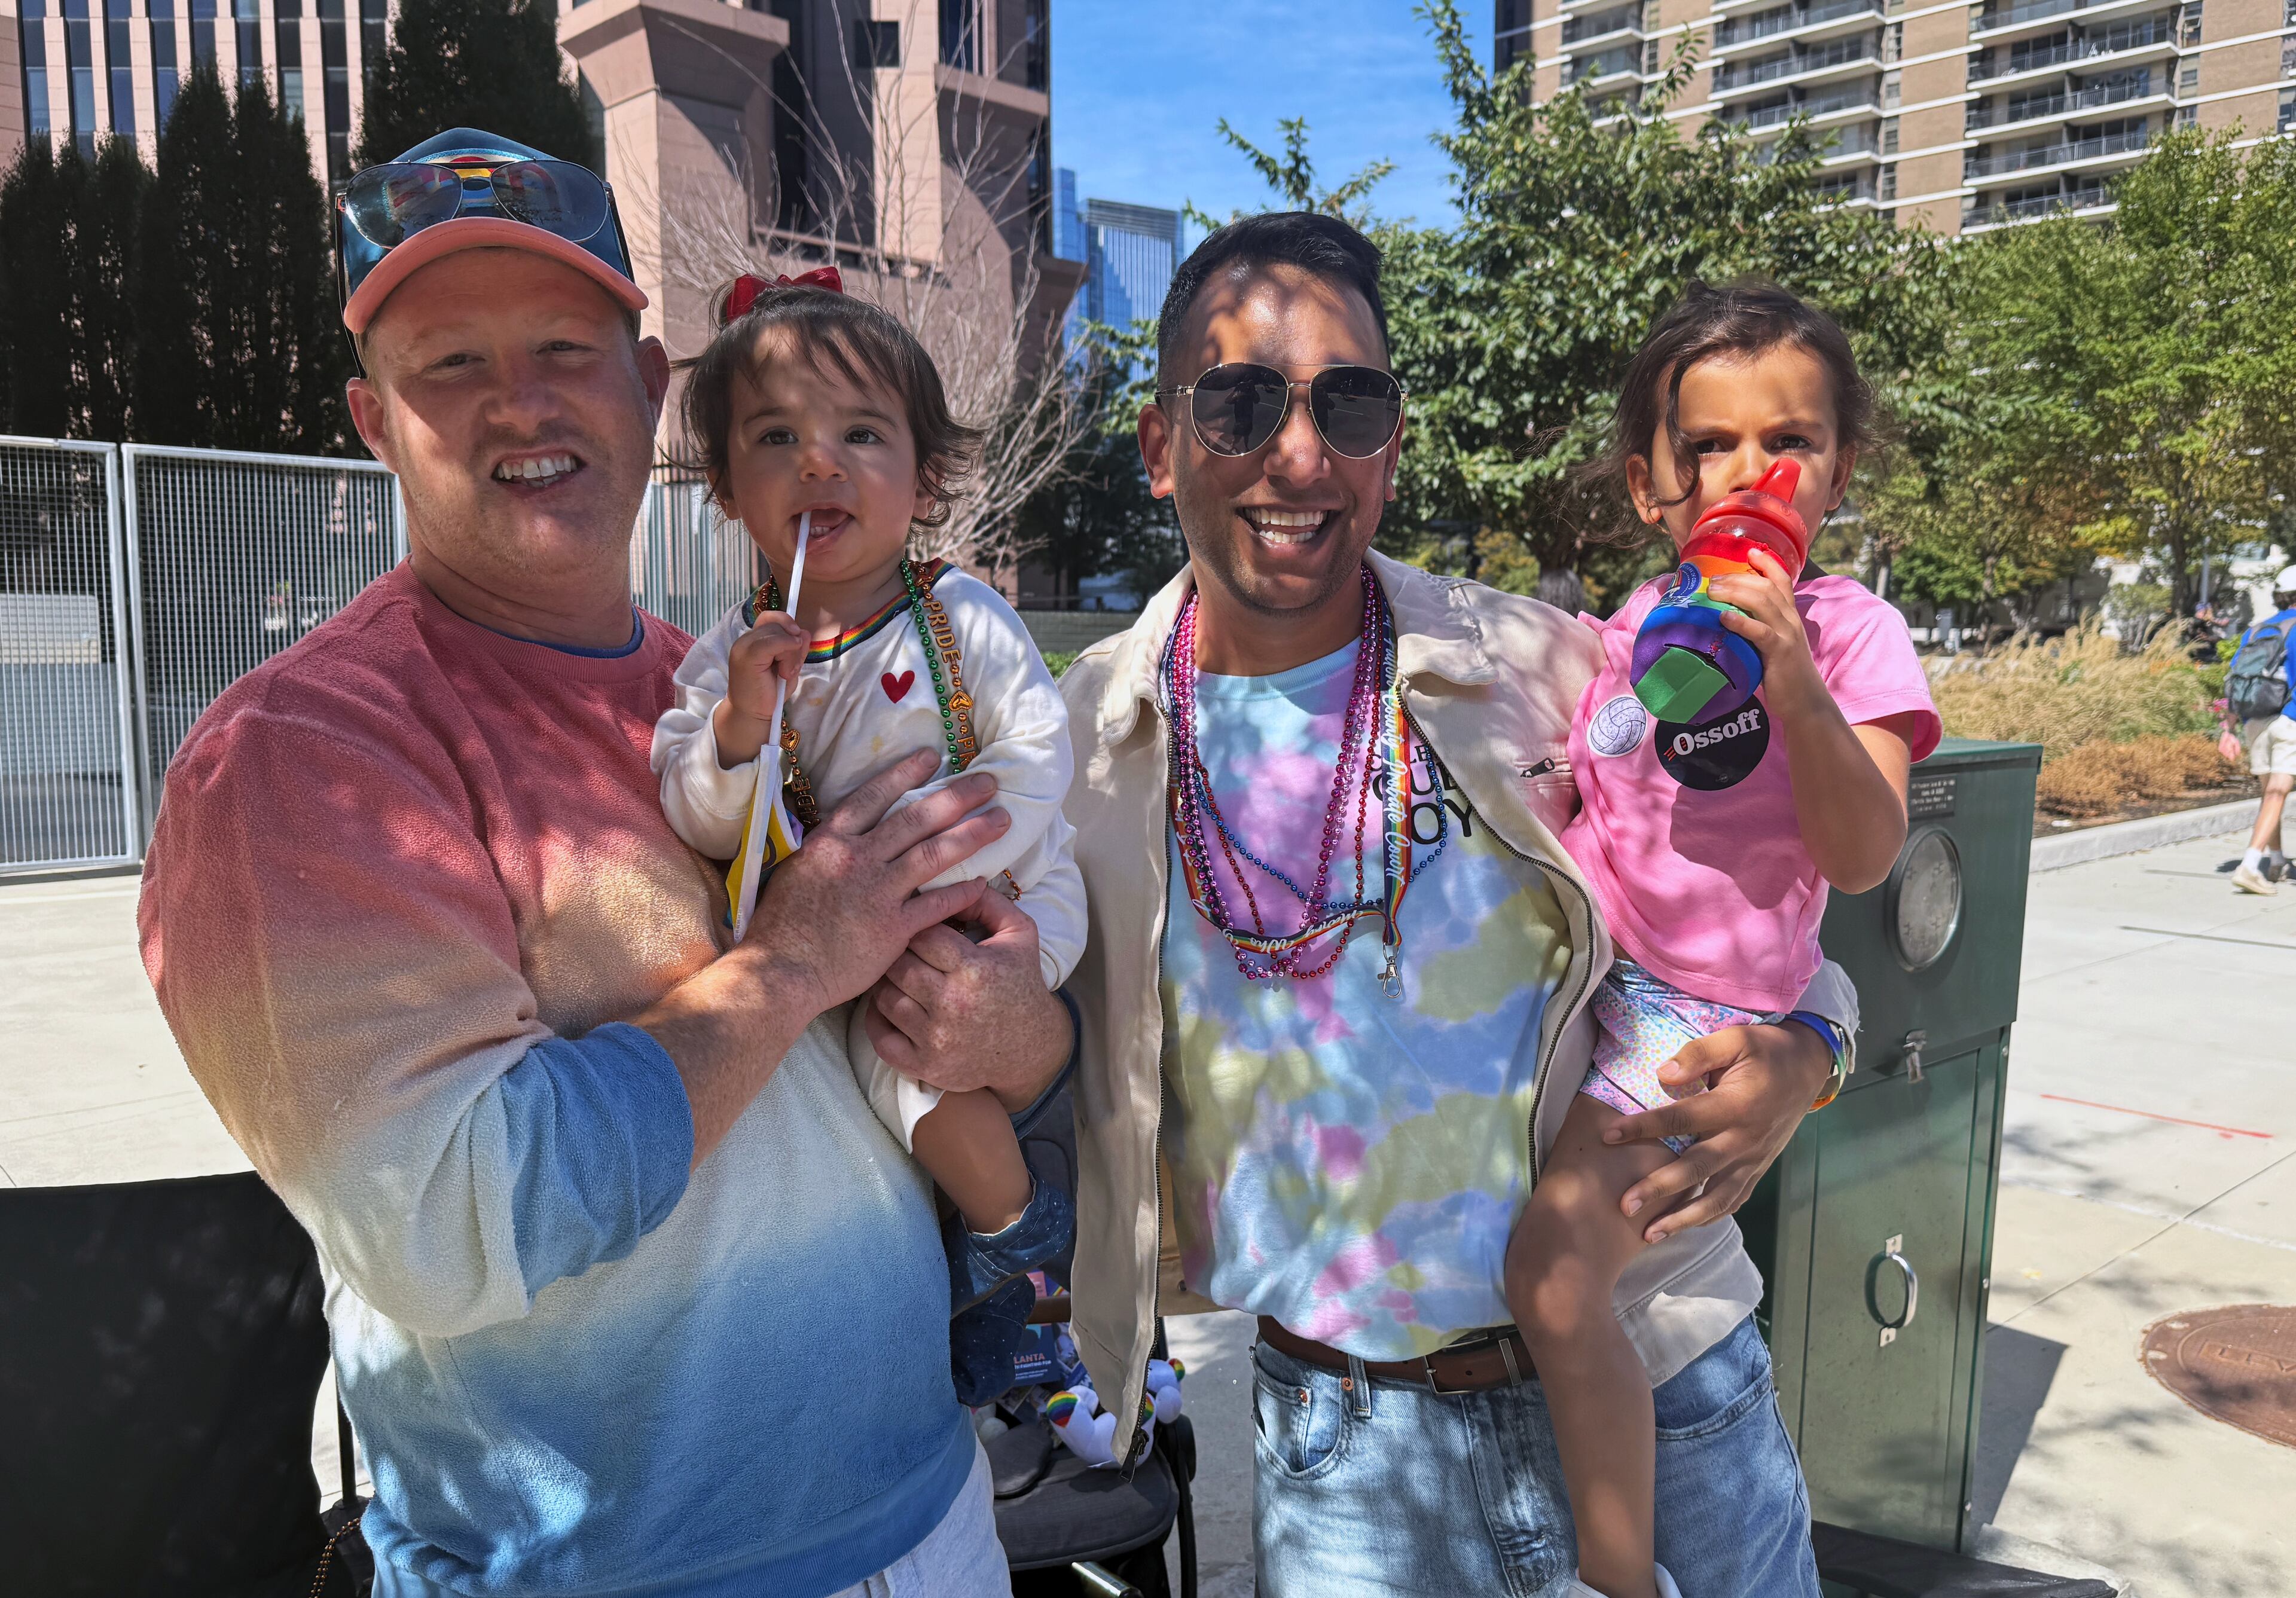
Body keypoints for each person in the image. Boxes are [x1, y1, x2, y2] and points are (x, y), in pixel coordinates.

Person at [136, 129, 1071, 1598]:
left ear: (648, 392)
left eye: (567, 346)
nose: (520, 399)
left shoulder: (736, 682)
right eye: (448, 363)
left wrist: (1025, 1029)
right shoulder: (300, 760)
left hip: (928, 1507)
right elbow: (447, 1219)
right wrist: (792, 962)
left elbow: (946, 1034)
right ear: (372, 421)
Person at [1055, 212, 1861, 1598]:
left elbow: (1760, 890)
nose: (1296, 454)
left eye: (1346, 402)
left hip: (1661, 1372)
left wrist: (1811, 1049)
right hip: (1354, 1465)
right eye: (1240, 400)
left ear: (1391, 441)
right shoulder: (1077, 751)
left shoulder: (1544, 663)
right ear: (1157, 441)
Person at [1510, 283, 1941, 1598]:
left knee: (1557, 1270)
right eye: (1708, 446)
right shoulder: (1631, 629)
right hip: (1602, 981)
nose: (1748, 470)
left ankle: (1619, 1577)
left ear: (1837, 472)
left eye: (1788, 440)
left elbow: (1865, 852)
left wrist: (1799, 680)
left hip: (1690, 1010)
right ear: (1650, 483)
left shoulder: (1853, 632)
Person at [651, 268, 1080, 1398]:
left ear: (925, 480)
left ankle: (1026, 1262)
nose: (818, 461)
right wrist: (743, 723)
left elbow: (1040, 753)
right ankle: (1009, 1244)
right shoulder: (724, 659)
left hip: (1011, 905)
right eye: (777, 436)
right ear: (728, 494)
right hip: (853, 950)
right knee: (898, 1080)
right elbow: (696, 813)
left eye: (860, 434)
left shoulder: (959, 616)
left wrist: (950, 883)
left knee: (913, 1062)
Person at [2227, 566, 2296, 894]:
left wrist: (2227, 729)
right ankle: (2250, 865)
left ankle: (2278, 861)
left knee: (2272, 794)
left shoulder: (2256, 630)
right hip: (2289, 719)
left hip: (2255, 720)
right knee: (2278, 791)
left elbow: (2235, 679)